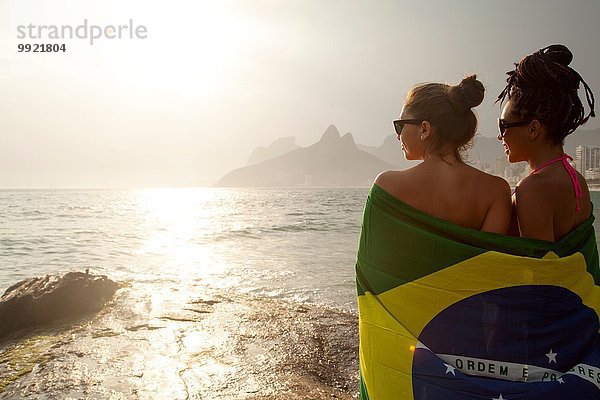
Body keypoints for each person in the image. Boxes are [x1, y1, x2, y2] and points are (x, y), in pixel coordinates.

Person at [375, 75, 511, 234]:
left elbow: (372, 257)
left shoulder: (387, 185)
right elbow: (491, 258)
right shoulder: (497, 191)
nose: (398, 135)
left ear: (424, 129)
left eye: (400, 125)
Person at [497, 44, 596, 241]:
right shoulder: (578, 182)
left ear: (533, 129)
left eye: (503, 126)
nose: (501, 137)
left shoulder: (532, 188)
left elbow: (540, 267)